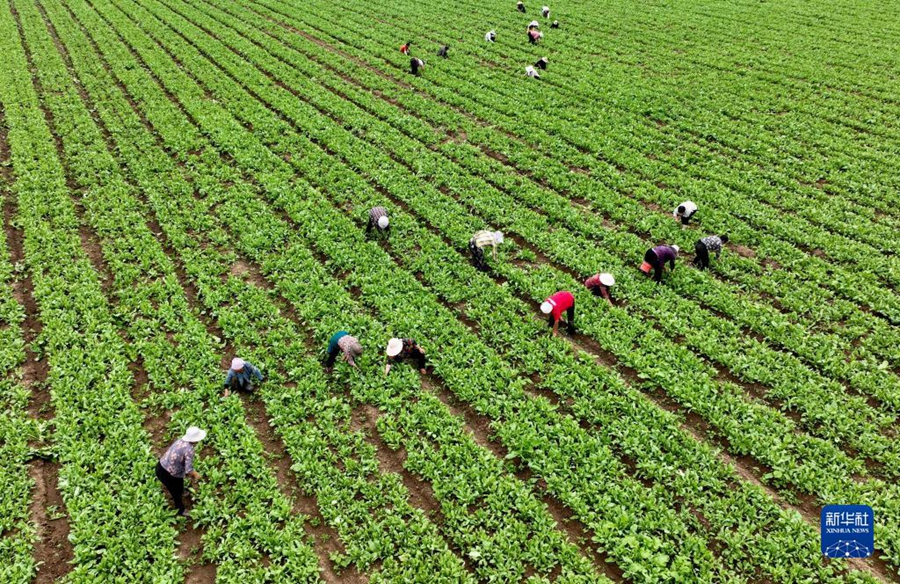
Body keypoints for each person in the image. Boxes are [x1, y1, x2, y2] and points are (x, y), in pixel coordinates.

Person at [156, 426, 206, 517]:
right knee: (175, 492)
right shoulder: (189, 450)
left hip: (161, 466)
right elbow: (189, 470)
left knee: (179, 482)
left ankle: (182, 491)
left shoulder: (180, 441)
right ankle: (180, 510)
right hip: (167, 474)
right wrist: (196, 475)